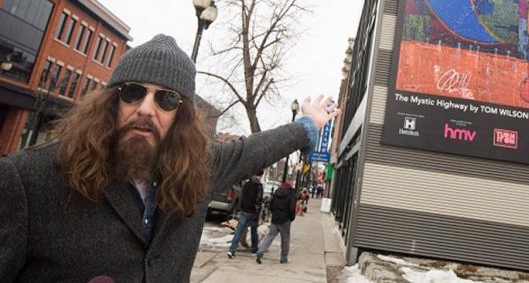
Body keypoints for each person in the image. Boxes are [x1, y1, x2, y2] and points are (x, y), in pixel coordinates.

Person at [0, 34, 339, 282]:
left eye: (166, 99)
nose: (146, 109)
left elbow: (253, 150)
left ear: (182, 115)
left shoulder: (196, 170)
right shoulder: (29, 179)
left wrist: (308, 126)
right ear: (111, 101)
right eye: (133, 93)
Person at [255, 181, 296, 264]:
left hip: (275, 218)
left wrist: (274, 213)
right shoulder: (291, 195)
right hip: (285, 219)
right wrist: (291, 218)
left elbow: (271, 205)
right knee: (285, 239)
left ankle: (261, 251)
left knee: (270, 236)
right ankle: (283, 258)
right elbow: (292, 209)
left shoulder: (276, 193)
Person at [227, 171, 263, 257]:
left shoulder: (246, 184)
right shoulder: (259, 186)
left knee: (239, 231)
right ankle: (254, 250)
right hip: (253, 212)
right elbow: (258, 200)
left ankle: (232, 250)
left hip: (244, 211)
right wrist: (257, 211)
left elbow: (242, 197)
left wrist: (241, 208)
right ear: (260, 175)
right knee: (254, 231)